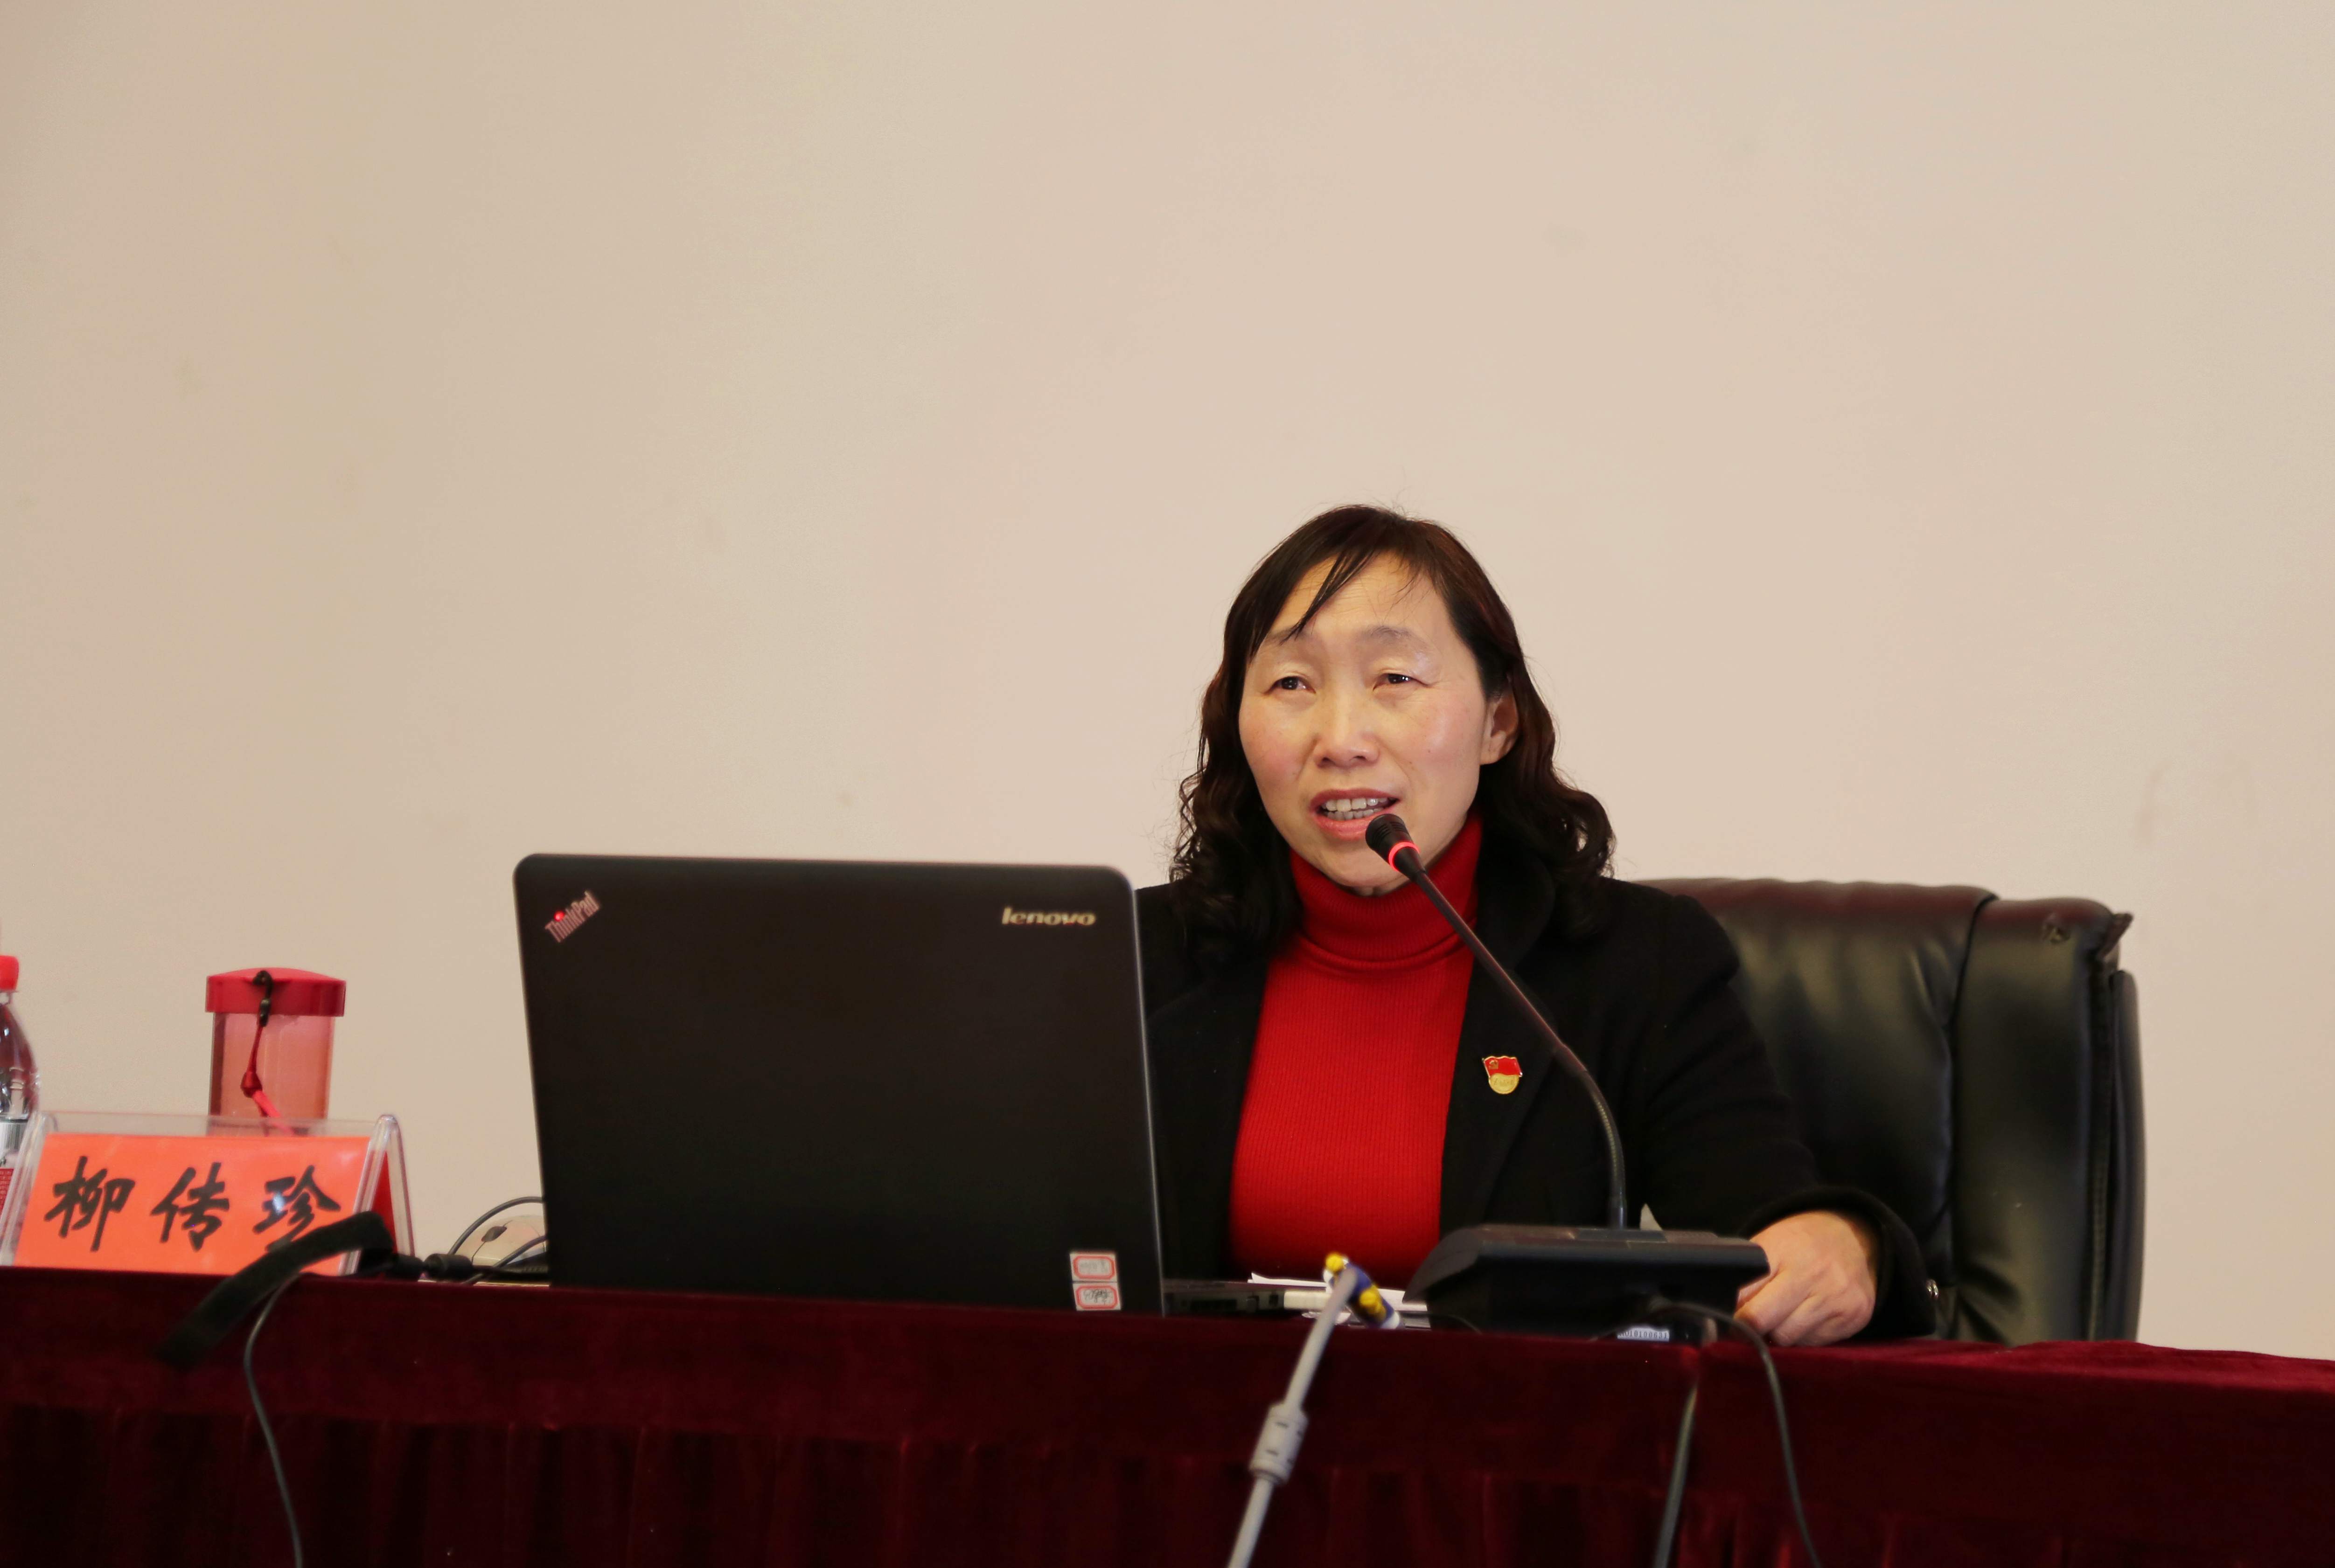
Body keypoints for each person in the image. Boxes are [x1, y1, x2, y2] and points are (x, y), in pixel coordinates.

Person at [1137, 505, 1934, 1345]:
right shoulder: (1126, 963)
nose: (1340, 739)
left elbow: (1765, 1228)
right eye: (1291, 684)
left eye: (1394, 678)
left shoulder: (1632, 963)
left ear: (1497, 723)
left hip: (1517, 1427)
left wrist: (1845, 1243)